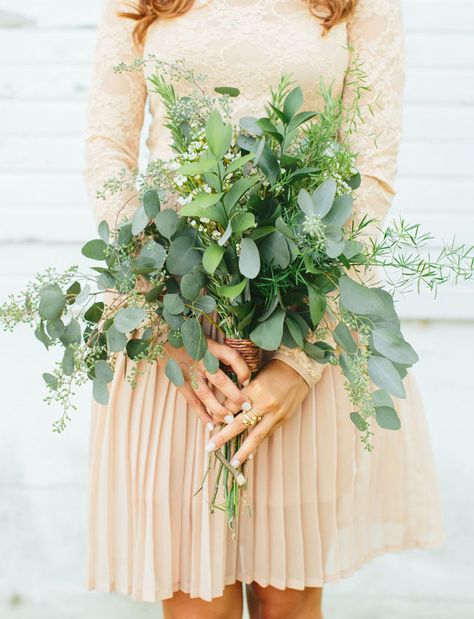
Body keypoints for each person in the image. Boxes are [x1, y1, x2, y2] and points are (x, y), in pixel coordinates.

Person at [83, 1, 444, 617]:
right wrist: (164, 321)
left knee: (288, 605)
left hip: (306, 313)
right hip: (174, 329)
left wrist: (300, 363)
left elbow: (369, 178)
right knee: (198, 605)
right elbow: (107, 156)